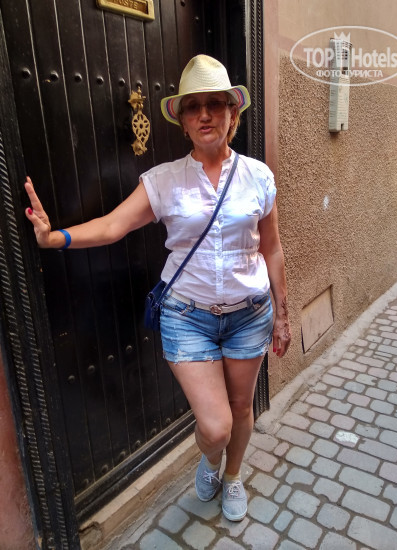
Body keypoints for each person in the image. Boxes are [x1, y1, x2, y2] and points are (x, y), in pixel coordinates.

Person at [24, 54, 291, 522]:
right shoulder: (164, 181)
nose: (204, 114)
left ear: (232, 113)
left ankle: (232, 476)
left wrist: (282, 314)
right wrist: (55, 237)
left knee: (241, 407)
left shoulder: (258, 177)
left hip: (250, 313)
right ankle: (212, 460)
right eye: (193, 106)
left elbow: (271, 247)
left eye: (215, 104)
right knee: (216, 426)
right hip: (188, 316)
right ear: (183, 121)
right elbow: (113, 225)